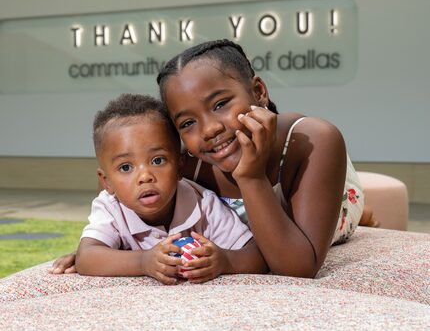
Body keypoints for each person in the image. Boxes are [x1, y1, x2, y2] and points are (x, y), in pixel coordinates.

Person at [52, 39, 372, 278]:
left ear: (258, 91)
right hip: (255, 236)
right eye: (188, 123)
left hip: (325, 204)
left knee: (336, 213)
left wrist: (251, 176)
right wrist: (102, 246)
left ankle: (367, 210)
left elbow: (298, 269)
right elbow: (126, 194)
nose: (210, 129)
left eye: (220, 104)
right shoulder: (186, 161)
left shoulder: (315, 140)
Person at [51, 93, 267, 284]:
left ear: (180, 166)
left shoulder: (203, 203)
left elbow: (256, 256)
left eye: (158, 161)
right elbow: (87, 257)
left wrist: (225, 261)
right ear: (106, 181)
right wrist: (144, 261)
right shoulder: (110, 208)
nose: (145, 176)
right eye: (126, 167)